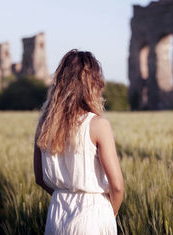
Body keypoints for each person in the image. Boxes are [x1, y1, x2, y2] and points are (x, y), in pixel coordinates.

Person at [33, 49, 124, 234]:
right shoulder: (98, 124)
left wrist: (65, 195)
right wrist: (108, 213)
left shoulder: (44, 125)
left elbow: (40, 178)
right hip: (92, 214)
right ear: (94, 84)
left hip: (57, 214)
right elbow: (117, 186)